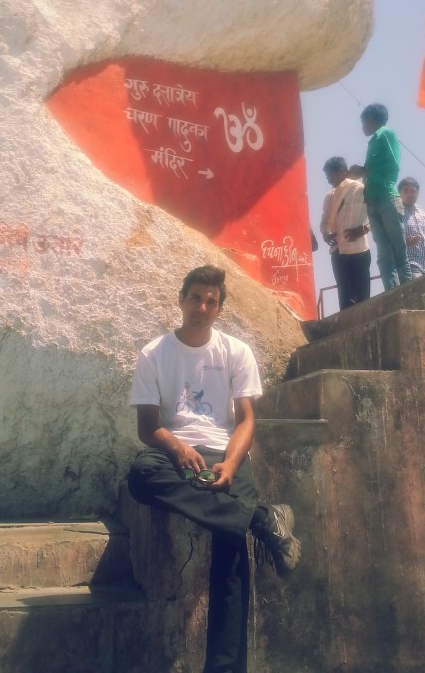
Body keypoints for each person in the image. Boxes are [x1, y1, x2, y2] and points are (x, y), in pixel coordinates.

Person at [127, 265, 300, 673]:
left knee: (231, 549)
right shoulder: (154, 354)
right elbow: (147, 427)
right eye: (195, 298)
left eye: (211, 301)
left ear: (219, 308)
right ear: (181, 299)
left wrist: (232, 462)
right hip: (176, 453)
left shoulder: (236, 352)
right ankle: (262, 517)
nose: (201, 307)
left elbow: (245, 421)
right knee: (140, 475)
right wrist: (176, 446)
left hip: (226, 452)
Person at [349, 103, 413, 291]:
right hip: (373, 201)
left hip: (387, 198)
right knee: (384, 254)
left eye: (364, 121)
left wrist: (366, 172)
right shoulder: (373, 141)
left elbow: (393, 168)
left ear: (372, 119)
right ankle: (393, 294)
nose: (362, 126)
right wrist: (361, 172)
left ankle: (409, 292)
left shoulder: (386, 134)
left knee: (398, 250)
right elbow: (371, 171)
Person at [320, 157, 371, 310]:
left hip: (359, 249)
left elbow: (376, 214)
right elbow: (324, 221)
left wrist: (364, 229)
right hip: (338, 250)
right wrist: (325, 234)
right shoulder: (330, 196)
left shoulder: (361, 189)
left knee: (363, 298)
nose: (328, 179)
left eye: (330, 174)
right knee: (345, 298)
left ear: (341, 171)